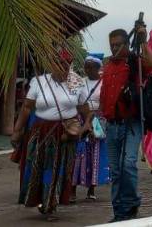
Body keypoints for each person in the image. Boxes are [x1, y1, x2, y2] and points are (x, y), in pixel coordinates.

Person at [11, 49, 92, 219]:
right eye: (58, 64)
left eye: (65, 65)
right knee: (37, 168)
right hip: (40, 131)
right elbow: (26, 108)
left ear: (69, 65)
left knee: (56, 169)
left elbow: (85, 110)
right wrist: (17, 131)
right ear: (51, 65)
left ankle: (50, 204)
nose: (61, 68)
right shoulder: (39, 82)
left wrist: (84, 128)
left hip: (64, 134)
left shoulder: (76, 82)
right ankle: (40, 200)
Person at [100, 27, 152, 223]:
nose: (114, 48)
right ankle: (119, 212)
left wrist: (142, 41)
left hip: (131, 124)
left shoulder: (135, 64)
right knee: (115, 171)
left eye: (118, 45)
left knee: (128, 164)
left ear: (126, 43)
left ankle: (131, 202)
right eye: (112, 45)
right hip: (111, 125)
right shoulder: (107, 66)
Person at [73, 55, 109, 201]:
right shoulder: (80, 82)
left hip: (97, 121)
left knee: (95, 154)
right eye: (86, 66)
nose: (87, 69)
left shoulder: (104, 83)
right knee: (78, 154)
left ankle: (91, 190)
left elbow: (104, 103)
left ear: (97, 67)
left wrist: (95, 123)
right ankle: (72, 190)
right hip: (81, 118)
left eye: (90, 66)